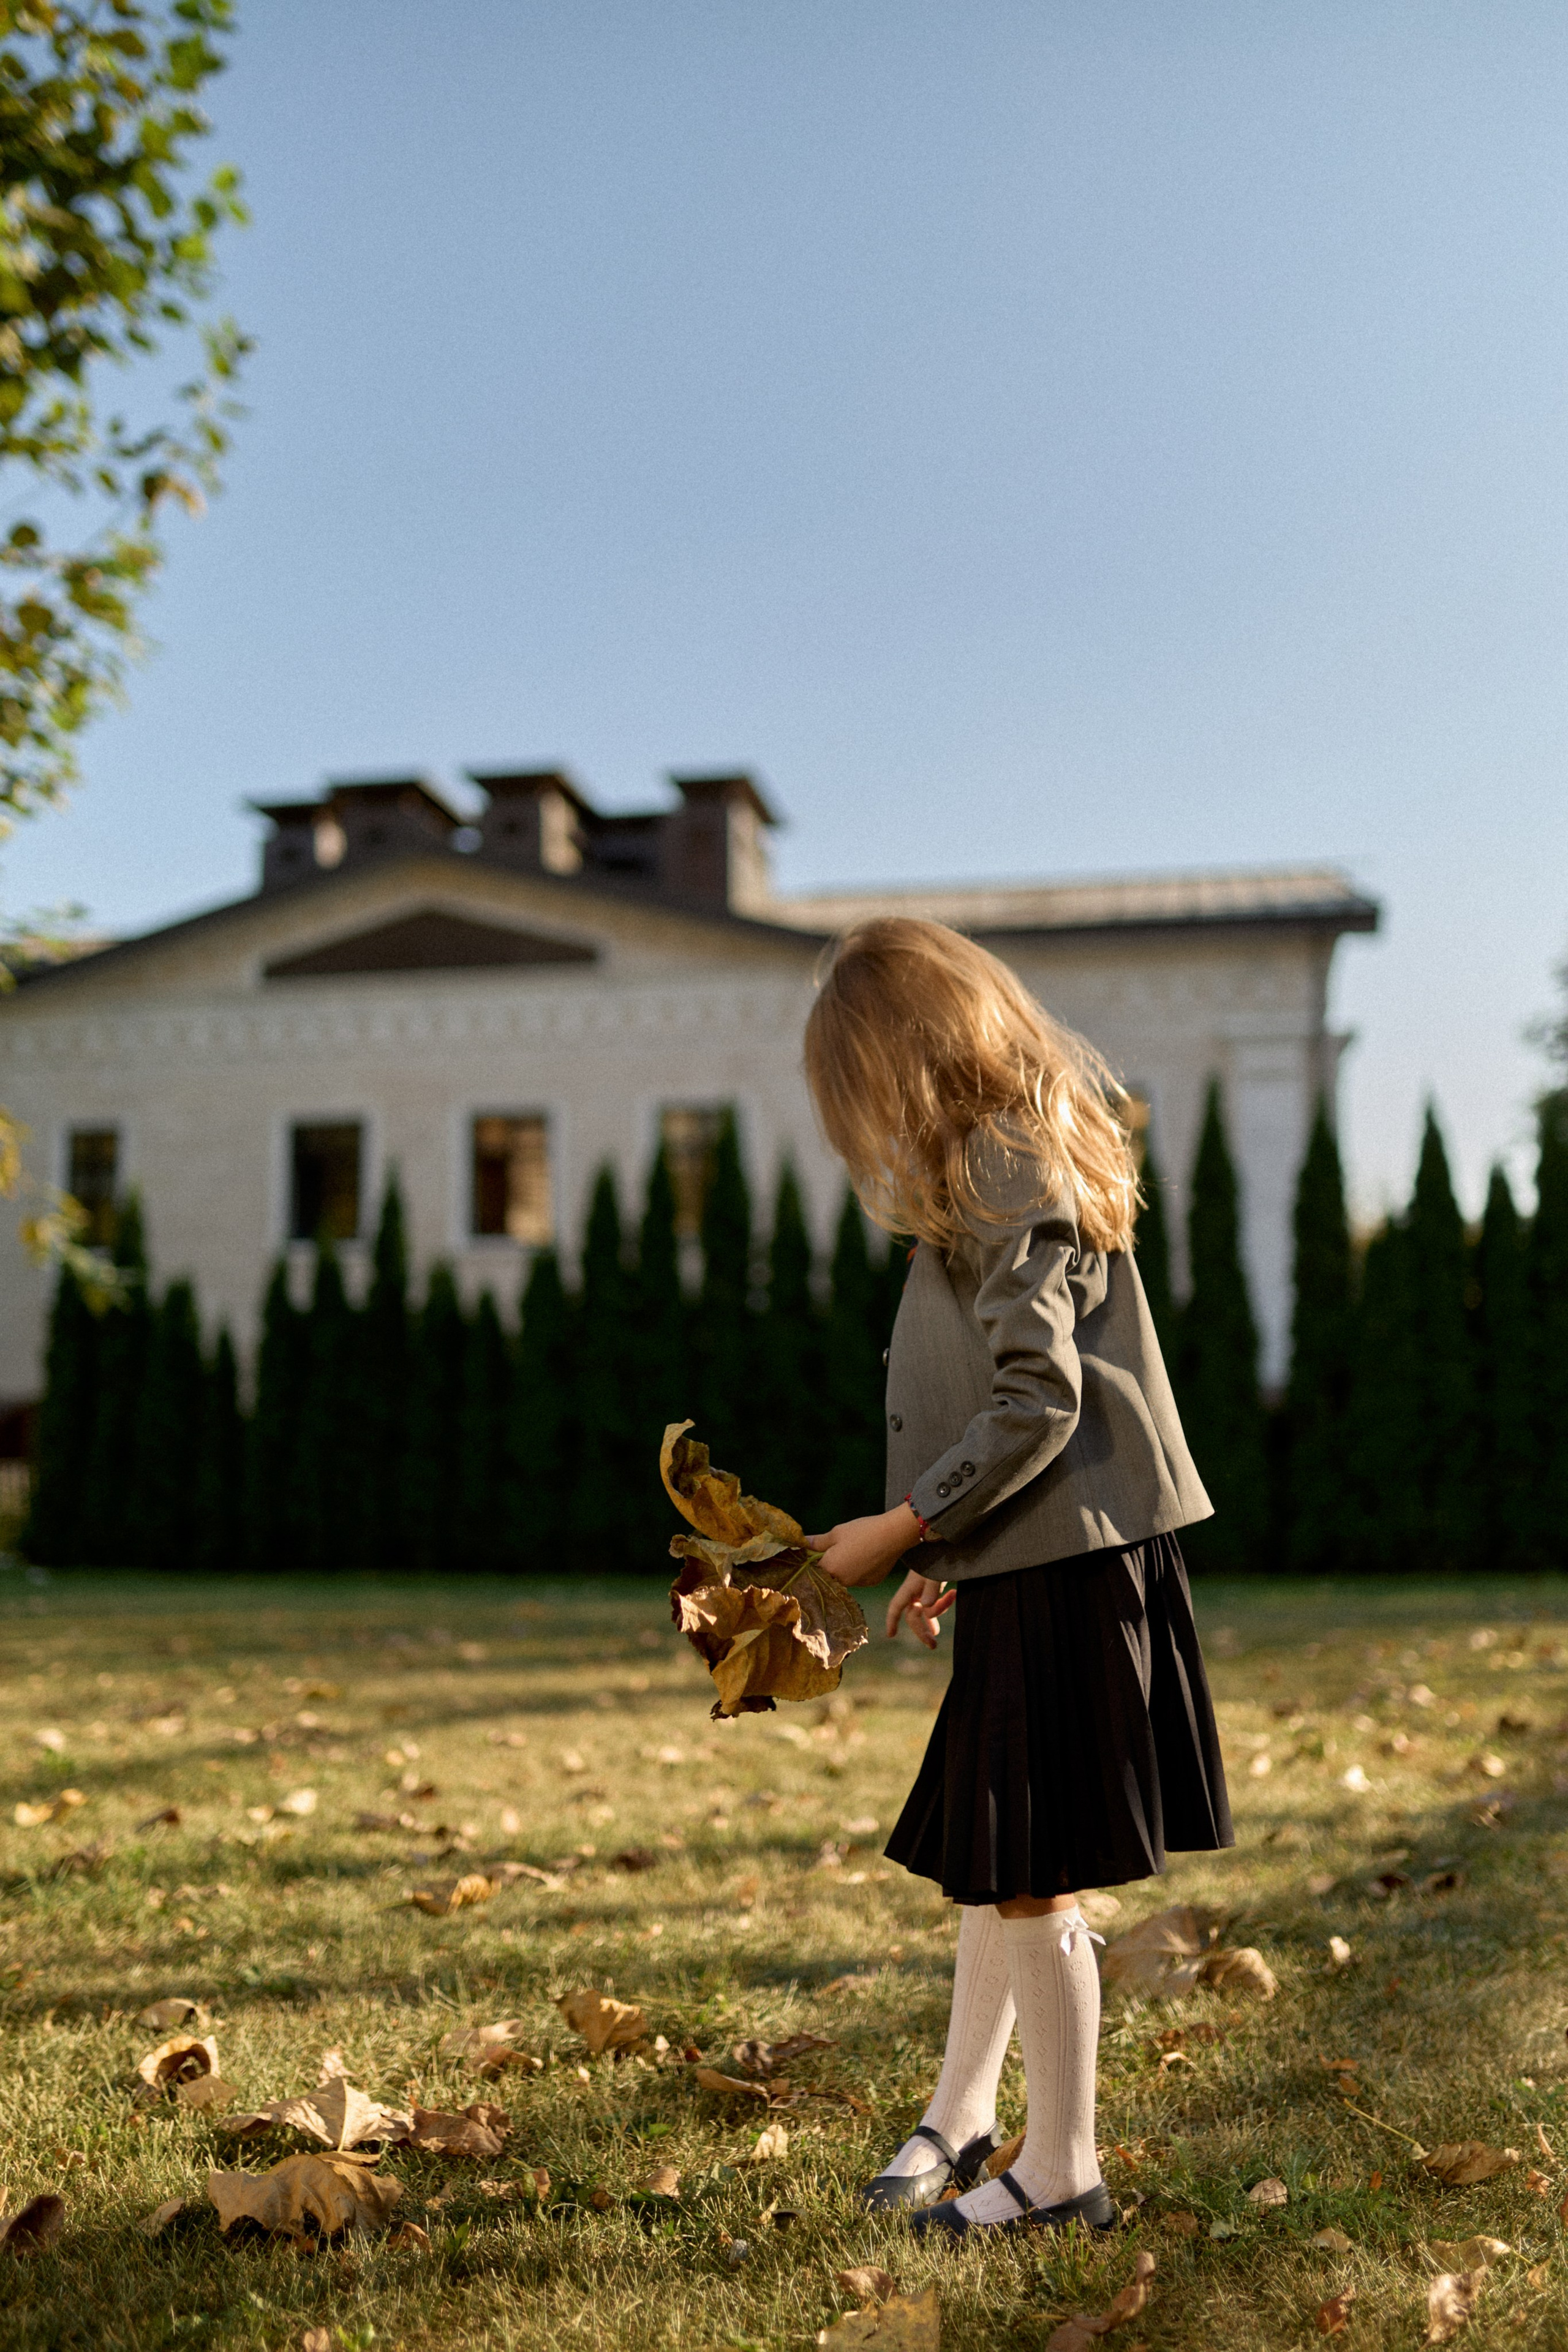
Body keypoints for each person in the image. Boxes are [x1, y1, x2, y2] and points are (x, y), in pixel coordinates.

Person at [802, 917, 1233, 2241]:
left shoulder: (1003, 1155)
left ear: (912, 1054)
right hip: (1039, 1554)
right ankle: (964, 2116)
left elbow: (1039, 1398)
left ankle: (1063, 2172)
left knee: (1032, 1871)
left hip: (1072, 1565)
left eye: (865, 1085)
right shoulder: (1008, 1147)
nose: (868, 1121)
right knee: (1002, 1854)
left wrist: (896, 1527)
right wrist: (947, 1550)